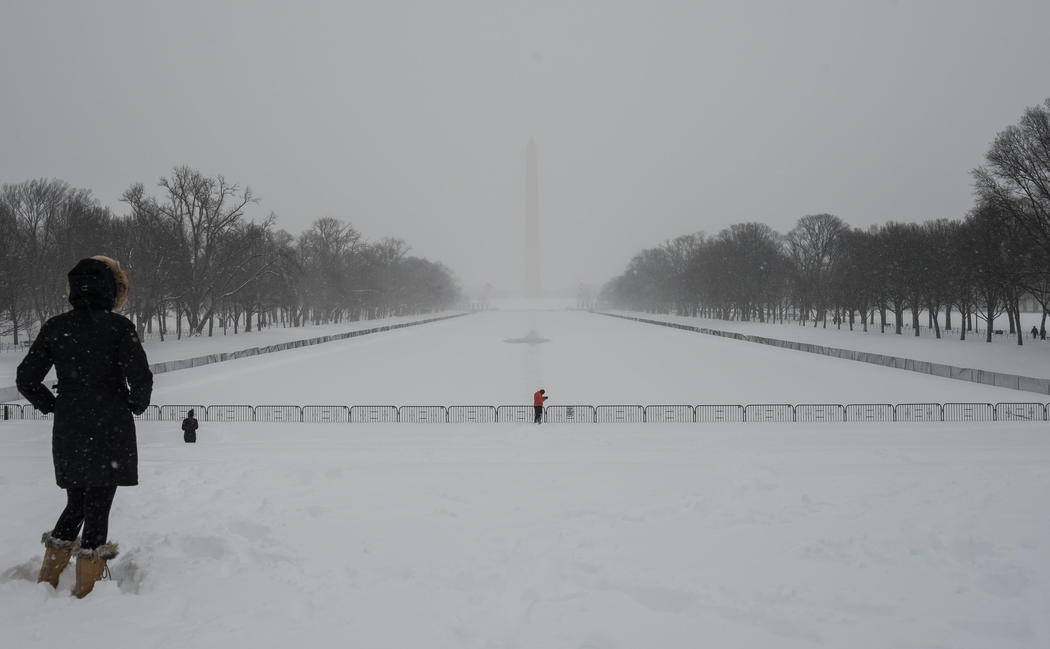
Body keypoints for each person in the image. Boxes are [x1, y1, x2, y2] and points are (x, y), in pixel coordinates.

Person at [17, 256, 153, 598]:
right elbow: (140, 378)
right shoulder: (119, 328)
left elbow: (26, 378)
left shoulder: (55, 327)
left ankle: (49, 576)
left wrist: (54, 404)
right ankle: (87, 586)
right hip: (110, 423)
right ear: (114, 289)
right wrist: (135, 404)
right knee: (98, 503)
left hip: (71, 424)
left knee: (76, 501)